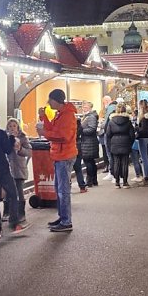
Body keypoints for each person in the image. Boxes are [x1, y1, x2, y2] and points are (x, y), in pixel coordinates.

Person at [39, 89, 78, 232]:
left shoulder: (67, 116)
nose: (48, 103)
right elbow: (54, 130)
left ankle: (66, 221)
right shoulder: (61, 114)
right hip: (60, 155)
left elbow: (63, 136)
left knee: (63, 190)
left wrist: (45, 133)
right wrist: (44, 118)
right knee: (59, 189)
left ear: (56, 100)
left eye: (50, 100)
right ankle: (63, 217)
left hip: (64, 156)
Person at [4, 118, 31, 223]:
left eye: (14, 126)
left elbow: (29, 152)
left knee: (19, 191)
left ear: (18, 127)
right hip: (8, 167)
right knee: (8, 191)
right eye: (10, 126)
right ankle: (6, 212)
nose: (12, 128)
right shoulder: (5, 137)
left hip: (20, 167)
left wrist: (20, 149)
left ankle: (21, 213)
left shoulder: (23, 137)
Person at [105, 103, 136, 188]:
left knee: (116, 163)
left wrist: (110, 145)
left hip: (114, 144)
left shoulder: (111, 121)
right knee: (125, 163)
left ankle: (117, 182)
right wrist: (129, 144)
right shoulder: (128, 121)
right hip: (125, 143)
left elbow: (108, 135)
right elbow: (132, 135)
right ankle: (125, 182)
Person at [79, 102, 100, 187]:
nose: (84, 108)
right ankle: (94, 180)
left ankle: (90, 181)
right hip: (88, 142)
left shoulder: (91, 117)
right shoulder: (87, 116)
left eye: (86, 107)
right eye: (83, 107)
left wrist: (81, 131)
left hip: (89, 142)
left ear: (90, 108)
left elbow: (92, 129)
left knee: (88, 162)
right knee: (90, 162)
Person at [73, 116, 88, 193]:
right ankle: (82, 187)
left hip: (70, 147)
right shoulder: (80, 127)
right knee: (78, 168)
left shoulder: (69, 127)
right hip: (78, 146)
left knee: (67, 169)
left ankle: (67, 186)